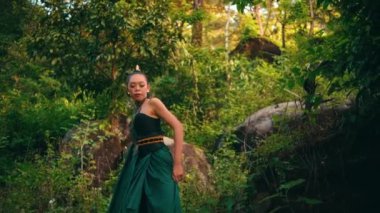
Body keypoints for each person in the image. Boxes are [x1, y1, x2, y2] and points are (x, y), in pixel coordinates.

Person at [108, 66, 184, 212]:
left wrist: (177, 163)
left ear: (148, 88)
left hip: (158, 159)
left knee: (163, 204)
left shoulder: (152, 103)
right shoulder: (137, 110)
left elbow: (178, 127)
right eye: (133, 86)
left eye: (141, 85)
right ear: (128, 90)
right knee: (142, 205)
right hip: (142, 161)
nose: (137, 89)